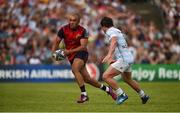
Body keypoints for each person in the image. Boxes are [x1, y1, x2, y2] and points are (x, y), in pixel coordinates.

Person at [52, 13, 117, 103]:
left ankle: (84, 95)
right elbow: (56, 41)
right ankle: (107, 89)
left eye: (74, 20)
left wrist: (68, 52)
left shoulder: (83, 31)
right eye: (70, 20)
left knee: (74, 69)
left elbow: (83, 46)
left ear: (78, 22)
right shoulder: (63, 29)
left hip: (81, 53)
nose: (71, 22)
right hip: (71, 56)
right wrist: (54, 53)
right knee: (87, 79)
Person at [100, 17, 149, 105]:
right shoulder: (117, 30)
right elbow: (119, 46)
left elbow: (114, 42)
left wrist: (109, 55)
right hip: (128, 58)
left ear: (104, 26)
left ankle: (121, 94)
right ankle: (143, 95)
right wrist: (115, 59)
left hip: (124, 59)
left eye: (102, 28)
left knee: (105, 76)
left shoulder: (110, 31)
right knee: (127, 79)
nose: (102, 30)